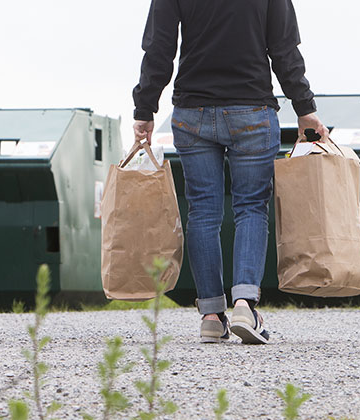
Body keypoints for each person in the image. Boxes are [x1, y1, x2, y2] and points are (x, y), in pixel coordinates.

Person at [131, 0, 328, 345]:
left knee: (203, 211)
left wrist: (145, 108)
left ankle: (210, 315)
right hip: (251, 109)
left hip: (192, 113)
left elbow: (159, 48)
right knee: (250, 207)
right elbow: (284, 49)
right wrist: (305, 108)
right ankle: (244, 305)